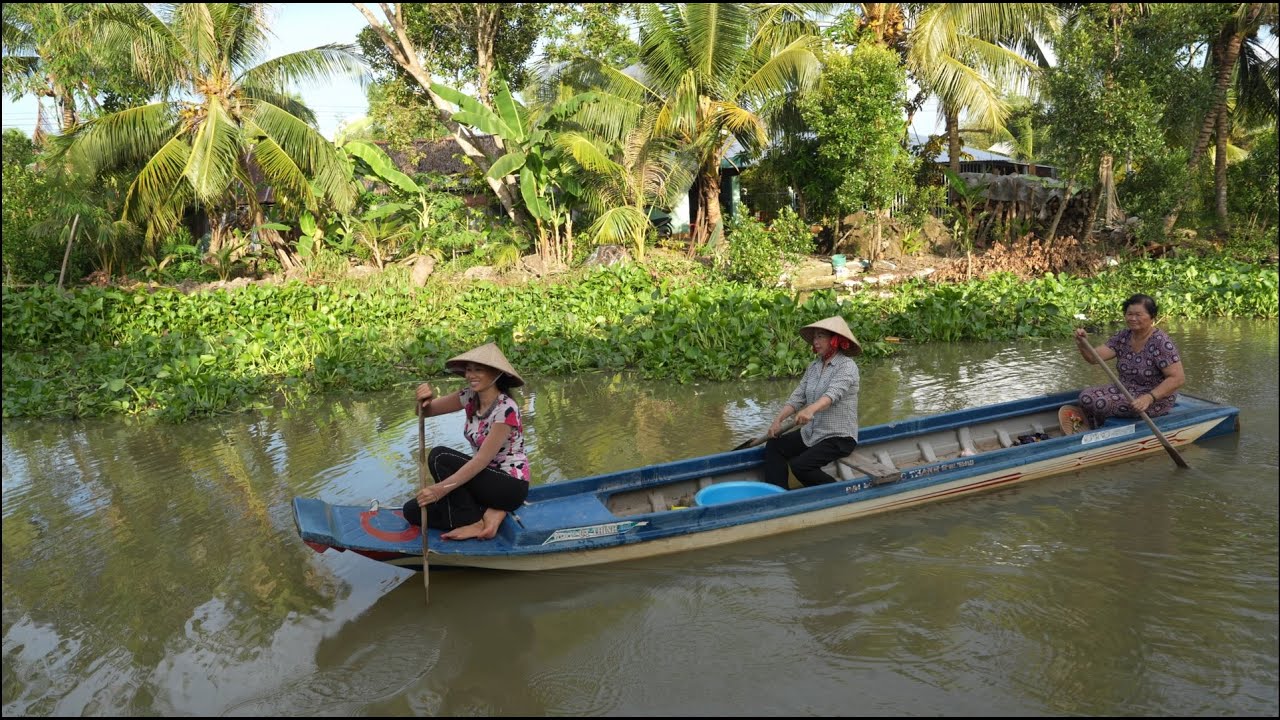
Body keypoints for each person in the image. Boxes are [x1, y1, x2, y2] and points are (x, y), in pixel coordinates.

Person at [402, 342, 530, 541]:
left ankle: (472, 521)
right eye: (469, 370)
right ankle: (482, 513)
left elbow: (481, 461)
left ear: (496, 374)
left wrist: (439, 490)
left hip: (509, 486)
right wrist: (422, 399)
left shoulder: (506, 409)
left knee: (440, 456)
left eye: (478, 370)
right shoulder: (469, 397)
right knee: (412, 510)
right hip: (483, 481)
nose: (471, 375)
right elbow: (424, 412)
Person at [763, 316, 862, 489]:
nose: (815, 341)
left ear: (835, 340)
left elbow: (832, 395)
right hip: (812, 433)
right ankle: (777, 495)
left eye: (821, 336)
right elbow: (797, 397)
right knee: (774, 446)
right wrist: (777, 421)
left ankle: (837, 492)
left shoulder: (847, 366)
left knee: (800, 465)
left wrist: (811, 410)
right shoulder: (814, 367)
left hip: (838, 436)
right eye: (815, 337)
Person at [1072, 293, 1185, 429]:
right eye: (1129, 314)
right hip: (1125, 388)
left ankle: (1105, 431)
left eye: (1138, 315)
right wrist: (1082, 343)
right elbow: (1093, 358)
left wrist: (1149, 398)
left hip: (1154, 397)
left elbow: (1178, 379)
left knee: (1101, 403)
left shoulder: (1161, 343)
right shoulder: (1123, 336)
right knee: (1086, 397)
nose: (1132, 318)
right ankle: (1093, 429)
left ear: (1152, 317)